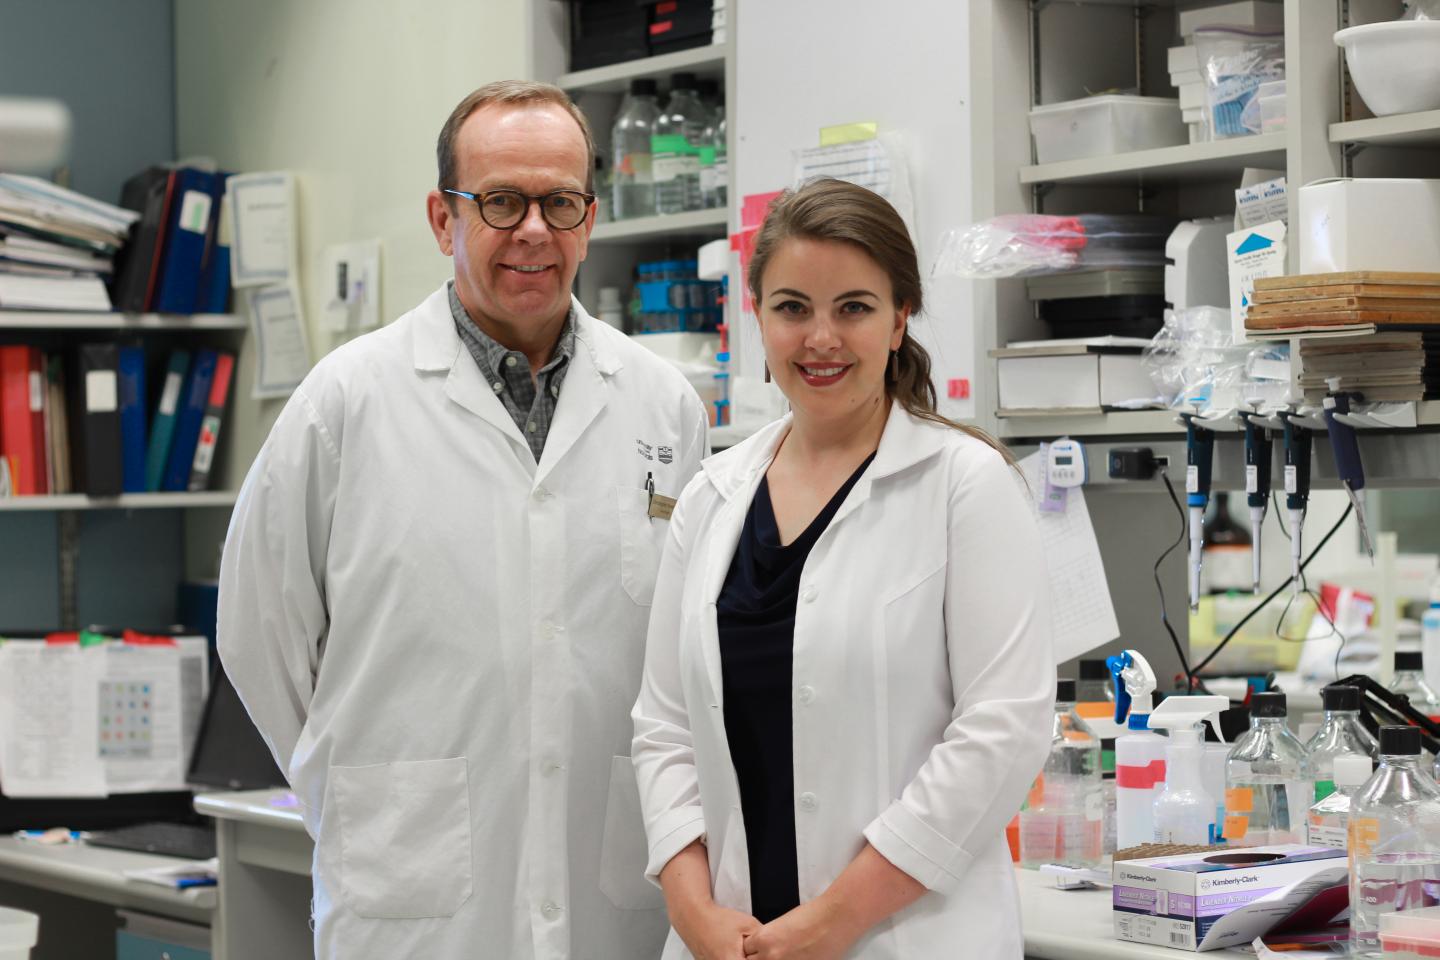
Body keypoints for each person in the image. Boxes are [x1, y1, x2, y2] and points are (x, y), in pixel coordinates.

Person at [217, 81, 709, 959]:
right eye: (501, 201)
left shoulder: (663, 406)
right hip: (413, 906)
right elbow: (260, 634)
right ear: (445, 222)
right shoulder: (348, 401)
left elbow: (676, 652)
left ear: (589, 217)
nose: (534, 230)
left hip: (613, 899)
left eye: (560, 201)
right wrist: (367, 789)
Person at [631, 178, 1054, 960]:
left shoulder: (966, 485)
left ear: (899, 320)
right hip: (728, 943)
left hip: (901, 938)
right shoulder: (710, 498)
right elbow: (663, 730)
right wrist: (693, 913)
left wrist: (834, 922)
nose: (820, 337)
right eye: (793, 308)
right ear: (757, 316)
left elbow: (1002, 732)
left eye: (853, 308)